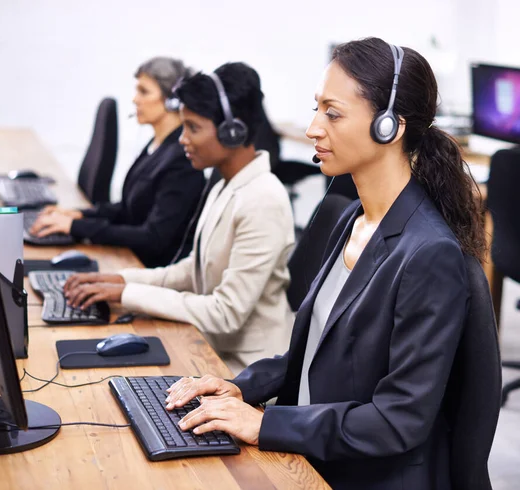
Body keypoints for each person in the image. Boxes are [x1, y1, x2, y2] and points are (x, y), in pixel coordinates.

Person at [163, 38, 487, 490]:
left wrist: (264, 425)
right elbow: (313, 352)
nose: (314, 128)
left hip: (367, 475)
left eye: (332, 113)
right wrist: (240, 387)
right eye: (317, 109)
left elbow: (398, 419)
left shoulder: (428, 253)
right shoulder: (355, 216)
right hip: (317, 451)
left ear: (389, 127)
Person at [64, 62, 296, 374]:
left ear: (233, 131)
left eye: (193, 128)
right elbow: (194, 270)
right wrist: (122, 280)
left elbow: (226, 313)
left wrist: (128, 295)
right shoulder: (225, 184)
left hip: (244, 368)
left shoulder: (263, 200)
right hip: (206, 345)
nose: (183, 138)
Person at [30, 57, 205, 268]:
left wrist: (76, 227)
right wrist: (79, 215)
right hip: (129, 259)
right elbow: (130, 209)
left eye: (144, 91)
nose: (135, 99)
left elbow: (153, 237)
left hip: (148, 269)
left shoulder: (182, 161)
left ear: (172, 100)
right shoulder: (157, 146)